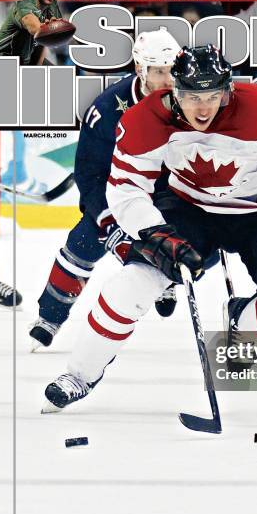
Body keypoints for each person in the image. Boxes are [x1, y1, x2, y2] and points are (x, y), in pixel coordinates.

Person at [40, 44, 257, 412]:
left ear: (228, 89)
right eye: (193, 96)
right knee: (130, 285)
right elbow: (126, 187)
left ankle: (240, 320)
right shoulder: (145, 119)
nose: (204, 107)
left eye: (212, 95)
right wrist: (151, 231)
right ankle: (79, 375)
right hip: (191, 209)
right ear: (174, 91)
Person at [29, 28, 181, 350]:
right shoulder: (107, 109)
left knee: (172, 245)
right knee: (82, 244)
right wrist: (107, 220)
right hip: (121, 192)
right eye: (158, 71)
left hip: (169, 196)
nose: (167, 79)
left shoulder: (192, 101)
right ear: (141, 69)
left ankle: (164, 278)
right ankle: (50, 316)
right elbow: (89, 173)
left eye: (171, 69)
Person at [0, 0, 62, 65]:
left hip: (24, 60)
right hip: (1, 59)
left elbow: (43, 41)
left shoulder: (50, 4)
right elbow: (35, 28)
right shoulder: (23, 6)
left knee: (57, 75)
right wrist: (48, 29)